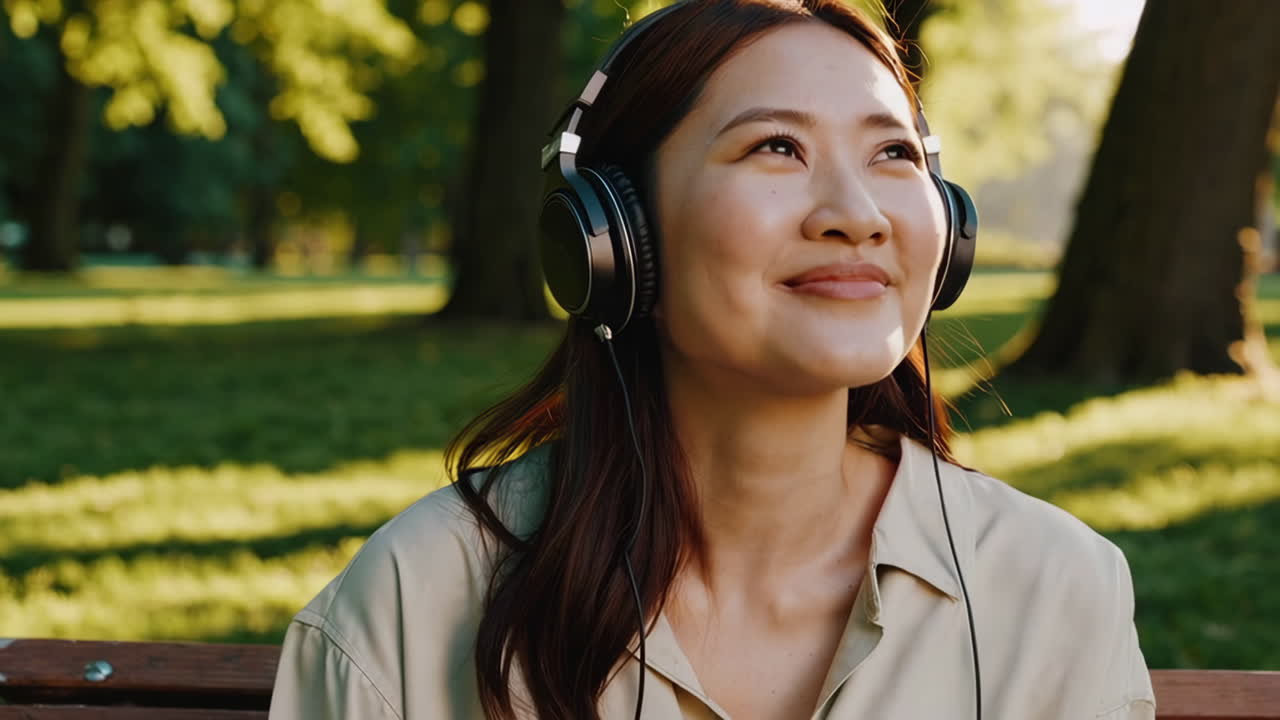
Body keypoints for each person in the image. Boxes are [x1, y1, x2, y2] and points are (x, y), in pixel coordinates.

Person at [267, 1, 1156, 718]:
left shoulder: (1054, 590)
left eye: (892, 153)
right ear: (613, 237)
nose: (857, 214)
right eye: (777, 147)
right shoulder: (417, 600)